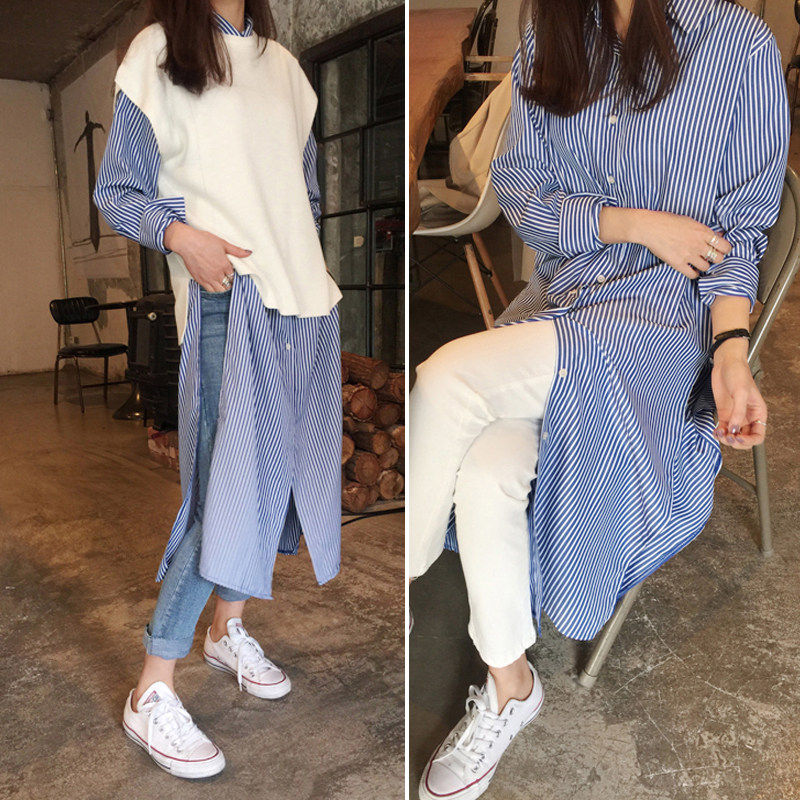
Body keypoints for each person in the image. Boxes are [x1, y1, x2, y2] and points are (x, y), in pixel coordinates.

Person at [409, 0, 789, 798]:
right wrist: (636, 223)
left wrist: (730, 351)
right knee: (485, 472)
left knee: (445, 377)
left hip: (659, 325)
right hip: (564, 299)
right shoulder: (552, 38)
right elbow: (523, 193)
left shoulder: (737, 45)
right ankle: (511, 686)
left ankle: (393, 613)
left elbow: (741, 235)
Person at [94, 0, 342, 779]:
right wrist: (182, 236)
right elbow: (118, 191)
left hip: (303, 302)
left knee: (277, 484)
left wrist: (301, 260)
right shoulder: (158, 52)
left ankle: (224, 628)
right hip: (226, 300)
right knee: (224, 496)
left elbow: (305, 197)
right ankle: (152, 688)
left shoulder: (285, 70)